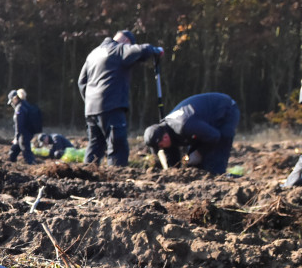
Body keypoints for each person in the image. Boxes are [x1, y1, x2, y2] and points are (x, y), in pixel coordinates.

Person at [78, 30, 163, 166]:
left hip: (91, 109)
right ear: (126, 41)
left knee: (95, 146)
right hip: (111, 105)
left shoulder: (93, 54)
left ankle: (86, 177)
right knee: (117, 145)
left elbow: (81, 82)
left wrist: (90, 102)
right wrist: (156, 50)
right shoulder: (118, 49)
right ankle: (116, 181)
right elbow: (141, 50)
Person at [143, 92, 239, 175]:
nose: (162, 149)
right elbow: (172, 154)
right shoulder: (167, 130)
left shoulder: (184, 125)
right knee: (196, 166)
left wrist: (198, 153)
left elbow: (214, 136)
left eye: (161, 146)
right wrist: (173, 171)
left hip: (225, 111)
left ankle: (229, 179)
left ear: (165, 138)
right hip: (202, 126)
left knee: (214, 166)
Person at [6, 89, 40, 165]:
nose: (12, 103)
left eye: (12, 101)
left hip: (23, 134)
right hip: (28, 133)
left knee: (26, 152)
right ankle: (10, 162)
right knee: (14, 149)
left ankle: (32, 165)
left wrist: (16, 137)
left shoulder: (19, 108)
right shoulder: (25, 105)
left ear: (15, 98)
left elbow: (19, 125)